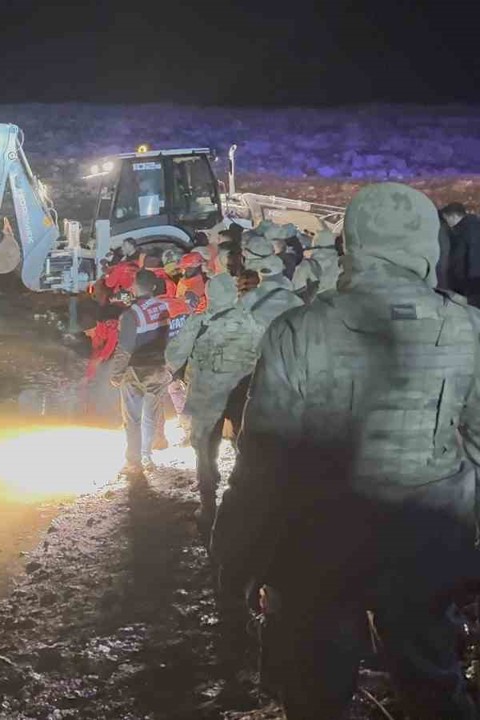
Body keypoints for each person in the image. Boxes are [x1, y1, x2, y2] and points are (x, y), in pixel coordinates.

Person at [212, 183, 480, 719]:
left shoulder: (298, 330)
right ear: (428, 244)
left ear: (351, 243)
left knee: (315, 695)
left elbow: (264, 462)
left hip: (317, 551)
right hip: (425, 549)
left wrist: (234, 562)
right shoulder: (469, 330)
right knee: (433, 686)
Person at [164, 274, 260, 531]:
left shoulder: (199, 321)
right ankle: (246, 496)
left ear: (210, 295)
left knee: (205, 448)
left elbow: (174, 355)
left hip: (208, 393)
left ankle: (208, 507)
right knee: (244, 443)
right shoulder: (248, 320)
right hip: (240, 391)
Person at [109, 270, 170, 477]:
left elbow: (124, 349)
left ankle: (133, 461)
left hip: (135, 370)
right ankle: (147, 455)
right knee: (150, 415)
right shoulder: (163, 307)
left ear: (134, 287)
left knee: (132, 418)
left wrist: (116, 373)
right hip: (158, 368)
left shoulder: (131, 314)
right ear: (153, 287)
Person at [442, 202, 480, 304]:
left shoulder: (462, 231)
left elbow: (461, 259)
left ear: (454, 216)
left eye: (447, 219)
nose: (447, 223)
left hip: (469, 284)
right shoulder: (474, 225)